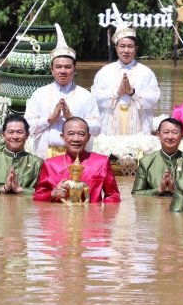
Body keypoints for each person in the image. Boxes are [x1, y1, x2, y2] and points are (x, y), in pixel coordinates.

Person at [25, 24, 101, 158]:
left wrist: (72, 119)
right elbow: (27, 128)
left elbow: (96, 128)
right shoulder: (39, 94)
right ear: (51, 69)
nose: (63, 71)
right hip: (46, 154)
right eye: (58, 67)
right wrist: (49, 119)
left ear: (74, 69)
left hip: (77, 157)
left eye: (67, 67)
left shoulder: (86, 96)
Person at [91, 13, 160, 135]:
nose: (126, 51)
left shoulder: (146, 72)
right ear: (116, 47)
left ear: (136, 48)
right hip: (110, 127)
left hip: (139, 126)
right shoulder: (104, 72)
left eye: (130, 46)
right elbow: (95, 97)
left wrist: (132, 92)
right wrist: (117, 92)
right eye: (122, 46)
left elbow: (154, 97)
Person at [33, 117, 120, 204]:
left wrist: (98, 211)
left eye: (81, 134)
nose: (76, 139)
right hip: (61, 216)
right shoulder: (50, 164)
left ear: (88, 137)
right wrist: (53, 193)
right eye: (71, 134)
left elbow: (113, 196)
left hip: (91, 216)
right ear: (63, 137)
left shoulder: (102, 162)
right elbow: (37, 196)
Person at [0, 114, 43, 195]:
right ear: (3, 135)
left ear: (27, 135)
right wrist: (3, 188)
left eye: (19, 132)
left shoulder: (37, 163)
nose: (15, 136)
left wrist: (21, 190)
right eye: (11, 132)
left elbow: (44, 191)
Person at [132, 118, 183, 196]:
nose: (170, 137)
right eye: (166, 132)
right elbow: (136, 193)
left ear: (182, 136)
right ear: (158, 135)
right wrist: (159, 190)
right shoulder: (146, 162)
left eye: (175, 132)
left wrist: (175, 190)